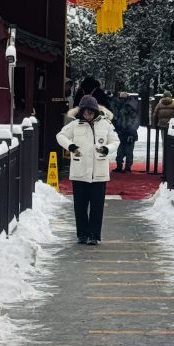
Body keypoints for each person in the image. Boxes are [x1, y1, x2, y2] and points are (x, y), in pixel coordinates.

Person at [57, 95, 118, 244]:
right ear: (81, 112)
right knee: (80, 206)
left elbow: (115, 141)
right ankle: (82, 234)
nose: (88, 115)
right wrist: (70, 146)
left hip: (99, 173)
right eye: (85, 112)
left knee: (97, 207)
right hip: (80, 172)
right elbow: (60, 136)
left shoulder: (106, 124)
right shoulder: (75, 124)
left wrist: (106, 149)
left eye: (90, 112)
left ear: (95, 111)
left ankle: (94, 235)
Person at [110, 87, 141, 171]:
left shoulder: (129, 108)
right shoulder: (119, 107)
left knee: (128, 151)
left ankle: (127, 166)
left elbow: (135, 121)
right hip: (123, 131)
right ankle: (121, 166)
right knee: (121, 151)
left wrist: (131, 131)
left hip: (128, 132)